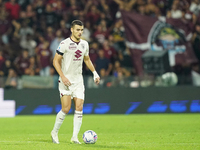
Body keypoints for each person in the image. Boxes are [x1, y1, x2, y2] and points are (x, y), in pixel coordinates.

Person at [51, 20, 100, 144]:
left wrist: (95, 73)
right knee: (66, 109)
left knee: (79, 107)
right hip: (65, 80)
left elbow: (87, 59)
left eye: (82, 30)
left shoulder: (85, 44)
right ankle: (54, 132)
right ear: (71, 30)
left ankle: (74, 137)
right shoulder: (64, 44)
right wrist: (62, 76)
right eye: (77, 29)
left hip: (78, 81)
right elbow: (55, 61)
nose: (80, 32)